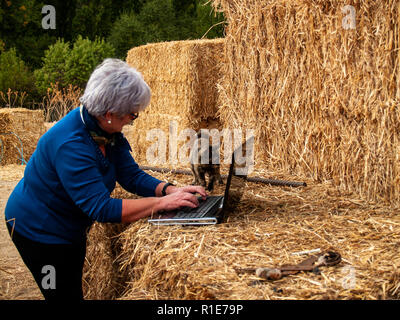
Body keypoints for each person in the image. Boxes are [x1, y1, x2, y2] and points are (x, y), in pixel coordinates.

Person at [4, 58, 207, 301]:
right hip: (39, 229)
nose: (133, 119)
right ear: (110, 114)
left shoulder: (104, 129)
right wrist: (161, 205)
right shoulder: (71, 145)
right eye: (132, 115)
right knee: (64, 294)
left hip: (68, 225)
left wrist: (169, 190)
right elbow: (100, 208)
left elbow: (130, 175)